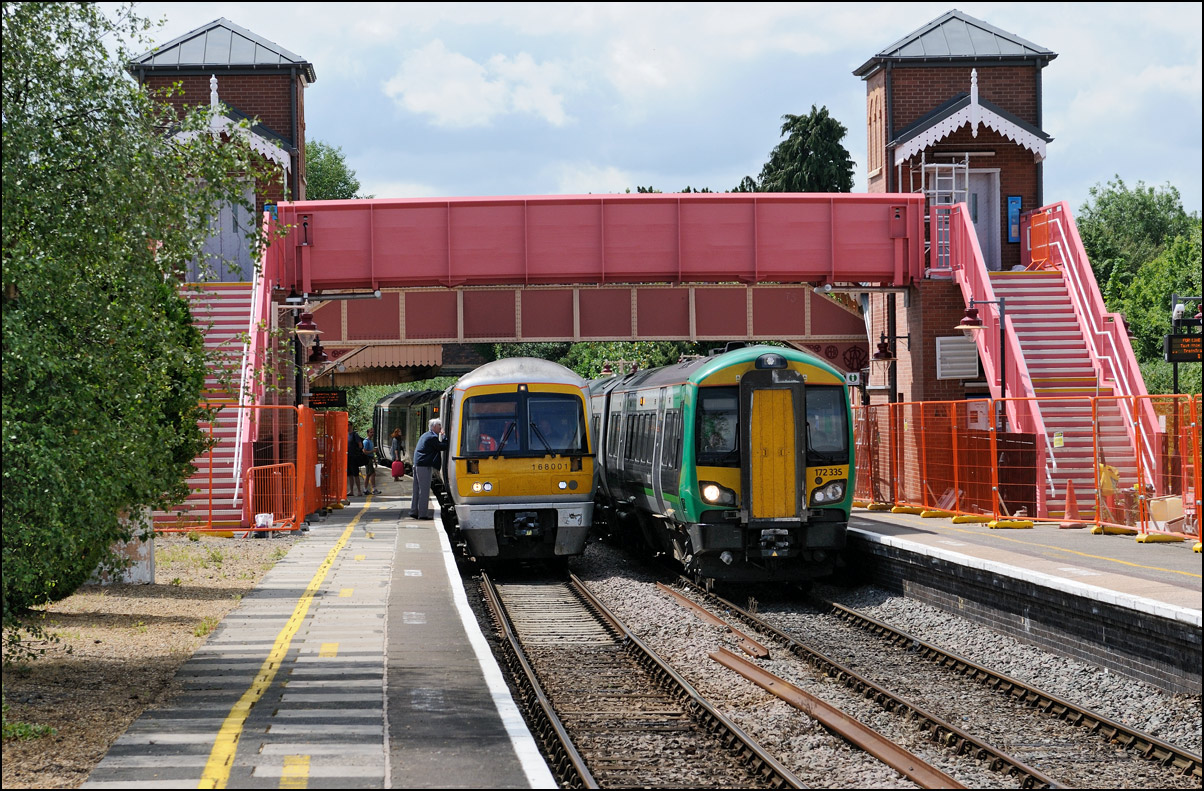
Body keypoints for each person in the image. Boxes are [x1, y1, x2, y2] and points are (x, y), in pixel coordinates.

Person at [410, 418, 447, 520]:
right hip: (424, 465)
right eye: (439, 425)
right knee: (424, 490)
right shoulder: (432, 437)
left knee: (416, 489)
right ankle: (422, 514)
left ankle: (414, 511)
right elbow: (442, 446)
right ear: (434, 426)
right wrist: (444, 436)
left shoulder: (425, 435)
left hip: (418, 464)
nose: (440, 427)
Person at [347, 426, 366, 497]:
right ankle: (351, 491)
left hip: (354, 457)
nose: (347, 426)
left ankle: (359, 491)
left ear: (351, 426)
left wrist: (356, 451)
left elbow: (360, 445)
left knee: (356, 474)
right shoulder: (346, 434)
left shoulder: (355, 435)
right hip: (347, 457)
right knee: (349, 475)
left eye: (348, 425)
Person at [363, 428, 381, 495]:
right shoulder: (366, 441)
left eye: (373, 432)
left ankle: (365, 489)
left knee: (368, 475)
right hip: (367, 459)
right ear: (367, 433)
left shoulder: (371, 441)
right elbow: (364, 451)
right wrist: (372, 451)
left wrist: (375, 460)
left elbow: (372, 453)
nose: (372, 434)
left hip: (370, 459)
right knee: (372, 474)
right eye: (371, 432)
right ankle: (373, 489)